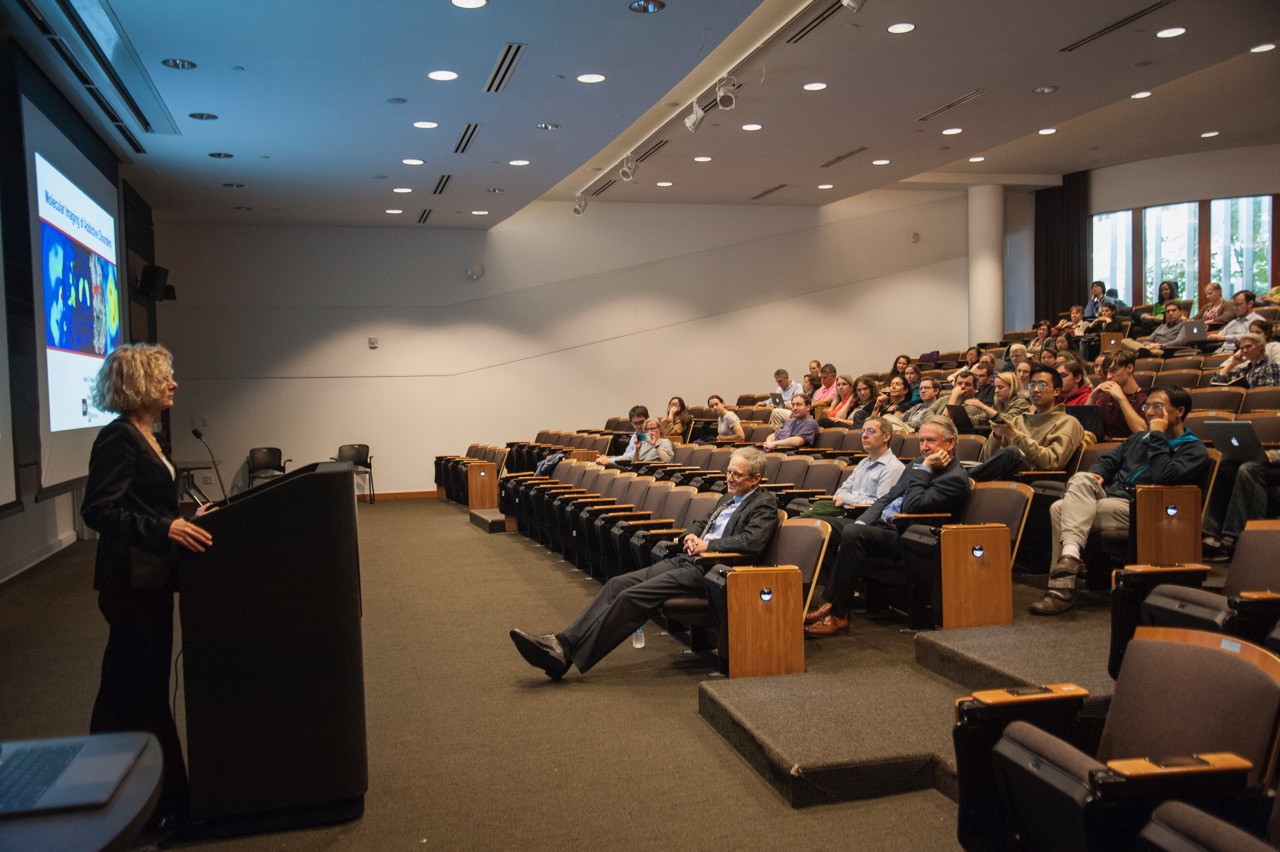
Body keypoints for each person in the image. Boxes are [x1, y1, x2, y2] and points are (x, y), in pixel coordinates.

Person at [80, 343, 215, 831]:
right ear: (138, 385)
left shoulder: (146, 435)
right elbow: (98, 510)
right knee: (142, 693)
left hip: (151, 580)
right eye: (163, 378)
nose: (173, 384)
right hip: (131, 584)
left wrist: (185, 517)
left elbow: (144, 504)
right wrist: (164, 529)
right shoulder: (119, 439)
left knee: (125, 690)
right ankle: (167, 803)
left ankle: (111, 795)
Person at [509, 447, 779, 678]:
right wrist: (692, 536)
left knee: (631, 597)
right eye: (728, 471)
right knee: (617, 584)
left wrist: (707, 545)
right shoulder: (727, 497)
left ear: (756, 479)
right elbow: (701, 522)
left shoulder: (764, 503)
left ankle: (566, 657)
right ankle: (562, 641)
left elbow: (750, 541)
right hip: (688, 560)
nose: (728, 478)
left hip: (712, 571)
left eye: (736, 474)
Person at [1031, 384, 1209, 615]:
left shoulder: (1193, 449)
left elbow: (1164, 477)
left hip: (1144, 507)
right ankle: (1071, 556)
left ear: (1179, 411)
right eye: (1147, 406)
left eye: (1158, 407)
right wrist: (1099, 473)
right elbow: (1107, 461)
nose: (1150, 412)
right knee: (1081, 480)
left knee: (1060, 509)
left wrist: (1156, 435)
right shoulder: (1137, 440)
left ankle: (1060, 591)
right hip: (1113, 498)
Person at [803, 416, 970, 637]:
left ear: (950, 443)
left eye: (931, 441)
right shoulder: (918, 463)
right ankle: (833, 600)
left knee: (853, 533)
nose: (924, 447)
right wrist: (862, 521)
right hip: (885, 526)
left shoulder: (954, 478)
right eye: (921, 441)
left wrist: (926, 469)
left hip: (911, 537)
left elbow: (913, 505)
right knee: (824, 526)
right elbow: (888, 497)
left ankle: (839, 614)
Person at [968, 367, 1084, 481]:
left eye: (1042, 385)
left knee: (1012, 452)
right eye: (1032, 385)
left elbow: (1052, 462)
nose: (1035, 390)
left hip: (1037, 476)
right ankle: (965, 479)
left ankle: (966, 480)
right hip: (1007, 476)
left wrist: (1017, 436)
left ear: (1056, 391)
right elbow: (990, 459)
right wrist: (997, 436)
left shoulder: (1068, 422)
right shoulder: (1018, 421)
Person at [1088, 349, 1147, 440]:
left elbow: (1142, 432)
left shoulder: (1146, 398)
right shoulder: (1106, 398)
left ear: (1129, 368)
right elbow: (1086, 430)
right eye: (1107, 372)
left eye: (1113, 371)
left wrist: (1121, 398)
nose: (1108, 377)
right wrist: (1092, 398)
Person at [1212, 333, 1280, 388]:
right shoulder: (1241, 370)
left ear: (1260, 347)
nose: (1244, 351)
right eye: (1242, 348)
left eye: (1249, 346)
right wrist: (1231, 364)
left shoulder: (1270, 366)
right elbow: (1216, 382)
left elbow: (1271, 392)